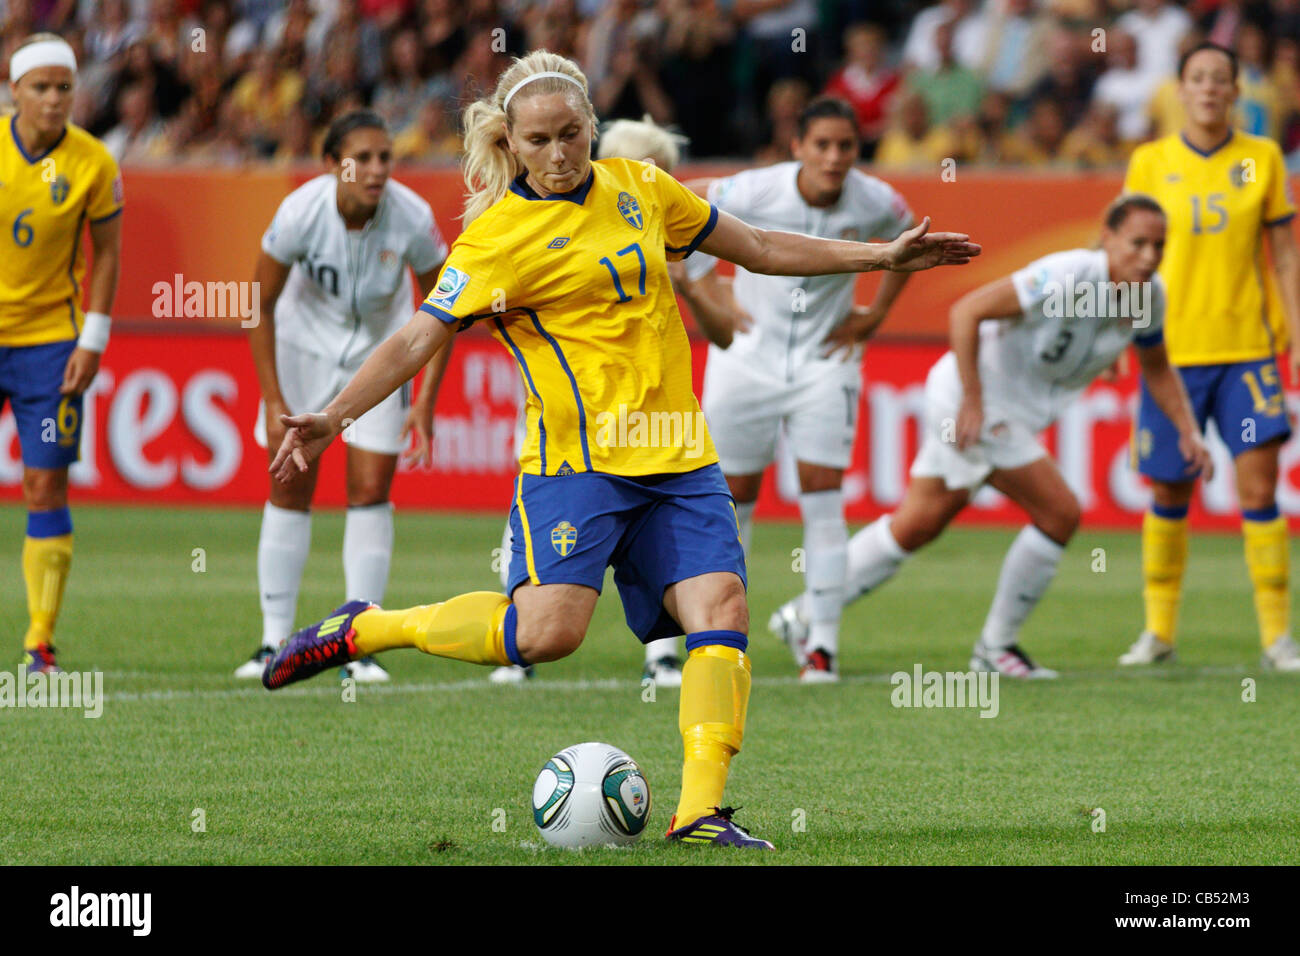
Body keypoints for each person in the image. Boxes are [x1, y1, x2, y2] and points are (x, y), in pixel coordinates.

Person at [260, 50, 978, 850]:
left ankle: (700, 810)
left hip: (677, 454)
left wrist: (880, 257)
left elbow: (763, 248)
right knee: (545, 636)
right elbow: (419, 335)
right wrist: (334, 415)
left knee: (723, 609)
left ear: (593, 128)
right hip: (577, 466)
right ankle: (365, 628)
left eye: (573, 134)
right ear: (510, 144)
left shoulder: (641, 189)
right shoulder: (498, 238)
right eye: (539, 140)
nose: (561, 154)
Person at [770, 196, 1212, 678]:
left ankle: (803, 615)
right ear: (1108, 238)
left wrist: (1188, 432)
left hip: (1004, 412)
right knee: (1060, 510)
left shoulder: (1149, 296)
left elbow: (1158, 369)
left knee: (917, 524)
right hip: (971, 402)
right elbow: (968, 312)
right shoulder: (1068, 276)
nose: (1149, 256)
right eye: (1138, 243)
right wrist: (973, 402)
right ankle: (995, 648)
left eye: (1159, 246)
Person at [487, 113, 747, 688]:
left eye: (661, 170)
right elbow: (431, 327)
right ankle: (520, 635)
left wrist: (684, 284)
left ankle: (662, 656)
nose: (649, 178)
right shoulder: (525, 228)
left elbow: (728, 325)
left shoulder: (674, 223)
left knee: (718, 599)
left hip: (663, 437)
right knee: (547, 609)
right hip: (576, 428)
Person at [686, 96, 916, 682]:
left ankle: (823, 647)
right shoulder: (753, 191)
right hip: (745, 356)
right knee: (733, 496)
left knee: (823, 490)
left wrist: (872, 317)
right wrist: (709, 293)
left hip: (823, 359)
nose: (835, 158)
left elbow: (907, 247)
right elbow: (681, 219)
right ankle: (721, 637)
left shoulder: (878, 201)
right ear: (797, 147)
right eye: (823, 145)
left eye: (847, 146)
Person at [232, 110, 450, 683]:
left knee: (371, 490)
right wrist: (273, 397)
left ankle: (360, 643)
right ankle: (272, 640)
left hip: (379, 362)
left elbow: (446, 309)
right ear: (332, 164)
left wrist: (425, 402)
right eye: (363, 158)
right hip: (302, 353)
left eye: (386, 157)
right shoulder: (299, 212)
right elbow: (259, 303)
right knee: (290, 484)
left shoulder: (412, 216)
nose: (377, 170)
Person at [1121, 42, 1300, 671]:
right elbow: (1126, 258)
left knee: (1259, 488)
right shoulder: (1150, 162)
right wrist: (1122, 330)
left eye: (1219, 79)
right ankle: (1159, 632)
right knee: (1169, 489)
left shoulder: (1263, 159)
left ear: (1235, 91)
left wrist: (1296, 335)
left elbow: (1282, 255)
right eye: (1197, 78)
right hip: (1170, 354)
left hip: (1248, 352)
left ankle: (1278, 638)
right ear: (1179, 89)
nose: (1208, 89)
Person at [1, 34, 123, 675]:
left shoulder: (94, 163)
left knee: (45, 484)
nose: (53, 99)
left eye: (63, 88)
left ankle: (39, 640)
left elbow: (107, 255)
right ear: (13, 88)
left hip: (50, 344)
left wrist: (93, 337)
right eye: (40, 87)